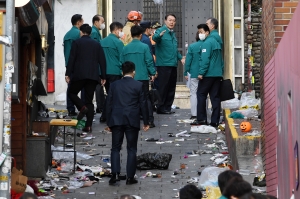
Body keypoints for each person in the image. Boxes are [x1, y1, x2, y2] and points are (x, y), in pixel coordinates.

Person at [107, 61, 149, 185]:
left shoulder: (114, 85)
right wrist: (146, 121)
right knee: (131, 149)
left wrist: (109, 121)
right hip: (132, 119)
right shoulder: (138, 85)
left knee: (115, 148)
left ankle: (114, 174)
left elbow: (108, 103)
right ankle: (130, 177)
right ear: (134, 72)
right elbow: (143, 104)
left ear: (122, 72)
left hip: (117, 119)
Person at [65, 24, 106, 132]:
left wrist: (68, 73)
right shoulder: (96, 44)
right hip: (93, 76)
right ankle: (88, 126)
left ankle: (82, 107)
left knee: (72, 93)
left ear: (81, 32)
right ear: (90, 33)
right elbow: (102, 61)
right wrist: (103, 76)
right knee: (89, 100)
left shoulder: (76, 43)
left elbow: (72, 59)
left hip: (79, 74)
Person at [120, 26, 156, 128]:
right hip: (142, 77)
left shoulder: (125, 47)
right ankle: (149, 120)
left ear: (131, 35)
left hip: (129, 78)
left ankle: (129, 120)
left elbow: (121, 63)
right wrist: (152, 73)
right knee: (145, 99)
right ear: (141, 35)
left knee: (129, 99)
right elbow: (149, 61)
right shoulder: (144, 47)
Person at [190, 24, 223, 127]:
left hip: (208, 74)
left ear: (207, 32)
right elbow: (221, 61)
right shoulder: (216, 43)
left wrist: (201, 73)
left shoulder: (206, 43)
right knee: (215, 97)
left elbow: (205, 60)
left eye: (201, 32)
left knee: (201, 94)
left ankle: (201, 119)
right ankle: (215, 121)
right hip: (217, 74)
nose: (200, 34)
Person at [152, 14, 185, 114]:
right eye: (170, 20)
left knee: (171, 87)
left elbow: (174, 50)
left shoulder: (172, 34)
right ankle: (161, 107)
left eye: (173, 21)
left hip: (173, 64)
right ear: (165, 21)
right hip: (163, 65)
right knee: (163, 87)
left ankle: (168, 107)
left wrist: (180, 58)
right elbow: (155, 38)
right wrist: (159, 35)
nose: (172, 22)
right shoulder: (161, 31)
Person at [100, 22, 124, 123]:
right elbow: (122, 58)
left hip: (104, 72)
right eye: (121, 30)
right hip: (115, 71)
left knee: (109, 93)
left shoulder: (102, 41)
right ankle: (107, 115)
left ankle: (105, 115)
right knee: (113, 95)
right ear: (116, 30)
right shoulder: (118, 42)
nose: (122, 33)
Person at [63, 14, 84, 116]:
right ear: (78, 22)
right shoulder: (79, 34)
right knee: (82, 86)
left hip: (69, 64)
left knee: (70, 87)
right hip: (77, 64)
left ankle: (70, 108)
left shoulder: (67, 35)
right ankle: (83, 107)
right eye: (82, 22)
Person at [184, 30, 203, 120]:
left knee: (193, 93)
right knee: (203, 94)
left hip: (194, 73)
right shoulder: (208, 45)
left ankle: (194, 114)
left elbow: (188, 61)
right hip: (205, 73)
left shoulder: (192, 47)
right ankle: (203, 112)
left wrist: (186, 72)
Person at [91, 14, 106, 114]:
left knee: (98, 87)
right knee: (98, 86)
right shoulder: (94, 33)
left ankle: (100, 106)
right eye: (102, 22)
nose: (103, 24)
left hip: (96, 64)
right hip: (95, 65)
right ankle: (100, 106)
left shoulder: (96, 32)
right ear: (96, 22)